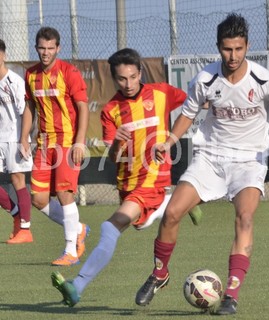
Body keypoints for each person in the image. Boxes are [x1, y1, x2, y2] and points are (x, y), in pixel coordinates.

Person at [135, 13, 269, 315]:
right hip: (210, 158)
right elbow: (188, 115)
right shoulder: (205, 79)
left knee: (245, 217)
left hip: (249, 162)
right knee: (173, 212)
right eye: (227, 49)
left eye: (239, 49)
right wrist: (169, 141)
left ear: (247, 46)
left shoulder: (265, 80)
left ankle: (231, 294)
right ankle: (160, 274)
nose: (233, 56)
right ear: (218, 47)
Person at [50, 47, 203, 306]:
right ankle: (179, 203)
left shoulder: (161, 92)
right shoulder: (111, 110)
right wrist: (117, 144)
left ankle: (77, 286)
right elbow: (113, 157)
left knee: (110, 227)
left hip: (153, 179)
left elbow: (194, 103)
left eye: (133, 77)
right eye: (122, 79)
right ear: (114, 79)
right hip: (128, 184)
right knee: (141, 224)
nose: (128, 83)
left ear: (140, 73)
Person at [20, 27, 90, 266]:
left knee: (64, 195)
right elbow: (30, 107)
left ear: (58, 48)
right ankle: (78, 228)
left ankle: (71, 251)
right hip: (43, 144)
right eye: (42, 48)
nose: (46, 52)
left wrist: (80, 142)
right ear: (36, 47)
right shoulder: (30, 75)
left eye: (50, 48)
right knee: (38, 199)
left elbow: (82, 107)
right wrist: (24, 138)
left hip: (67, 144)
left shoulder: (69, 73)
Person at [0, 39, 33, 244]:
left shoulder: (15, 81)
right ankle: (16, 216)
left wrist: (24, 139)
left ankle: (26, 230)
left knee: (17, 180)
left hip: (14, 138)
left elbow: (27, 111)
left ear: (3, 55)